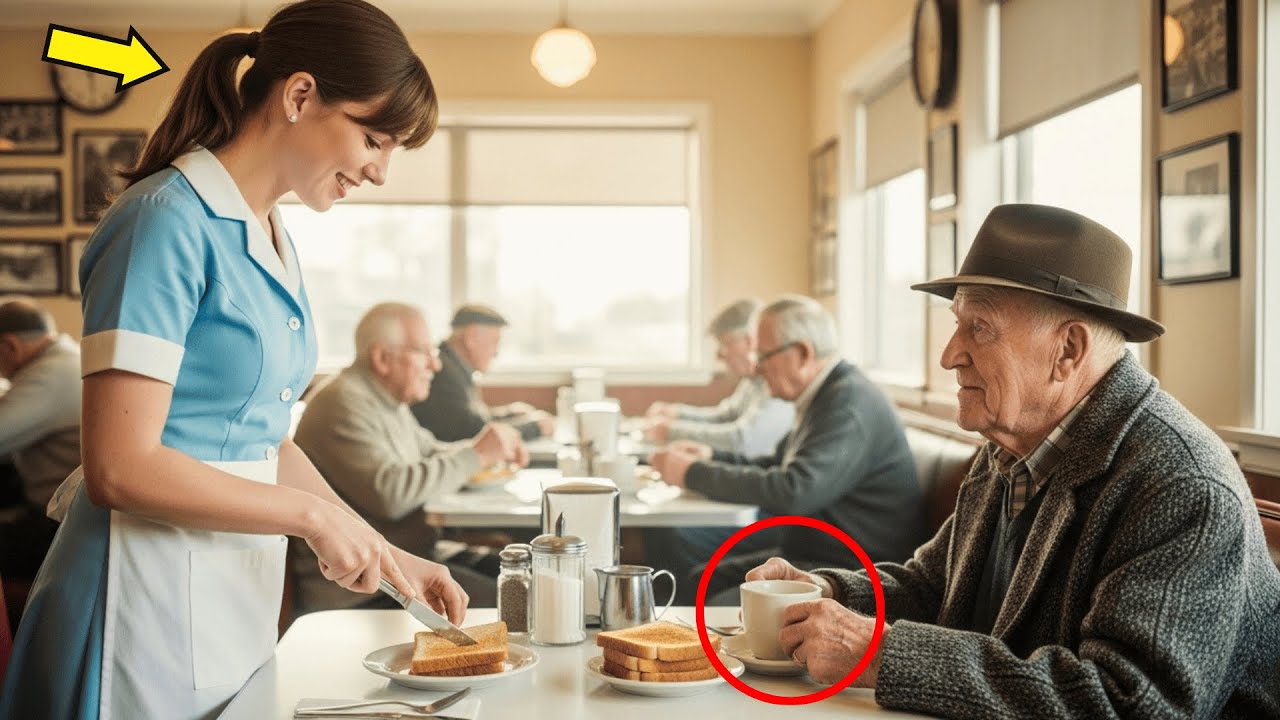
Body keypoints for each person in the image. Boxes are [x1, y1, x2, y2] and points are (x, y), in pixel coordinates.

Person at [0, 3, 469, 719]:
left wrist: (389, 557)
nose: (378, 172)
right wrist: (312, 520)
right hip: (133, 592)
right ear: (300, 95)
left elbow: (260, 438)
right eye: (374, 139)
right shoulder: (164, 219)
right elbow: (120, 465)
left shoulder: (271, 235)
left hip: (223, 591)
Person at [748, 204, 1280, 718]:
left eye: (979, 327)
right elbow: (935, 589)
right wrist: (825, 591)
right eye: (957, 324)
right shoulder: (1010, 445)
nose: (949, 354)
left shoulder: (1183, 485)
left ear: (1068, 350)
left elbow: (1127, 703)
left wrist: (883, 654)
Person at [646, 295, 925, 604]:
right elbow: (776, 463)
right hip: (812, 553)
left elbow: (794, 491)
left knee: (712, 601)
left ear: (803, 353)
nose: (756, 366)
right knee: (701, 580)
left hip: (854, 572)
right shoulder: (825, 395)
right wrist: (711, 457)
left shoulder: (847, 404)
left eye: (764, 355)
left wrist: (693, 473)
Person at [290, 302, 529, 612]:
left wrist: (488, 452)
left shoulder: (387, 400)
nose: (437, 365)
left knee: (524, 576)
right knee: (521, 603)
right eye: (424, 352)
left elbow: (430, 450)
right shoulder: (343, 404)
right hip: (364, 589)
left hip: (410, 559)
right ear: (382, 358)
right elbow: (393, 494)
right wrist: (477, 454)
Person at [643, 299, 794, 456]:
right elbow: (725, 416)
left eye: (725, 343)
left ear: (751, 340)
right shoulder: (752, 380)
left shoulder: (778, 381)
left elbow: (744, 440)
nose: (719, 355)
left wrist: (672, 431)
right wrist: (677, 413)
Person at [0, 299, 81, 582]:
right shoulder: (63, 359)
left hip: (58, 527)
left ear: (10, 346)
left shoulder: (49, 375)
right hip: (65, 515)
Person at [410, 304, 554, 442]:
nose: (496, 352)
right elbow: (472, 433)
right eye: (494, 342)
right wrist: (535, 428)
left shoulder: (454, 367)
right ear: (470, 338)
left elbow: (473, 419)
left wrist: (509, 413)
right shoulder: (442, 372)